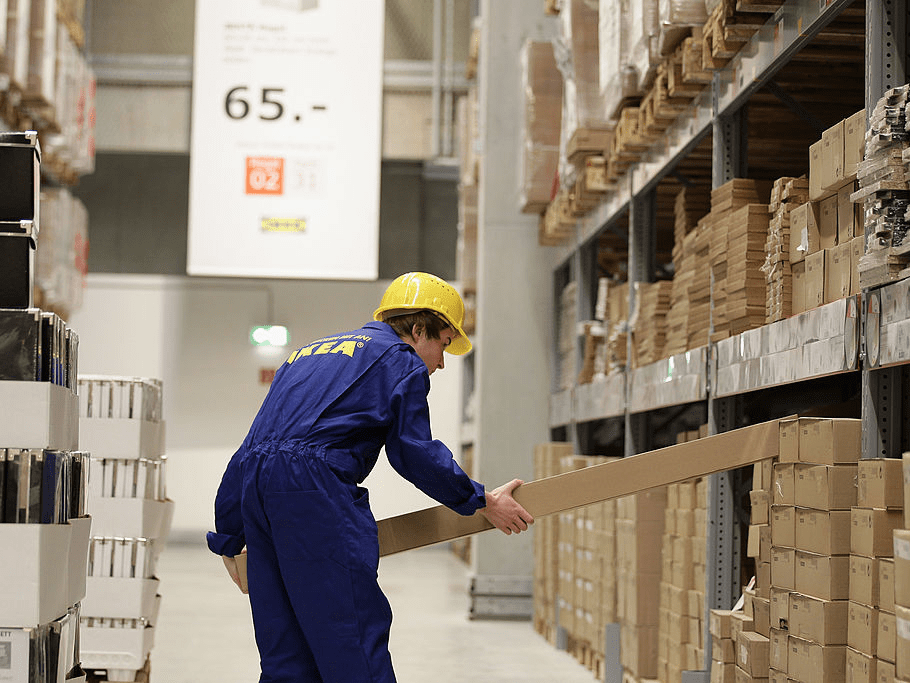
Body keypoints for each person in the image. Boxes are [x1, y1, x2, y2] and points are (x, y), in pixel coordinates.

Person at [206, 271, 534, 683]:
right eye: (444, 344)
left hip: (258, 497)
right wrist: (482, 499)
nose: (441, 362)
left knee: (285, 657)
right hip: (315, 495)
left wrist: (229, 534)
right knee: (352, 642)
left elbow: (254, 450)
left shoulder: (303, 355)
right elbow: (414, 453)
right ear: (419, 330)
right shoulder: (400, 359)